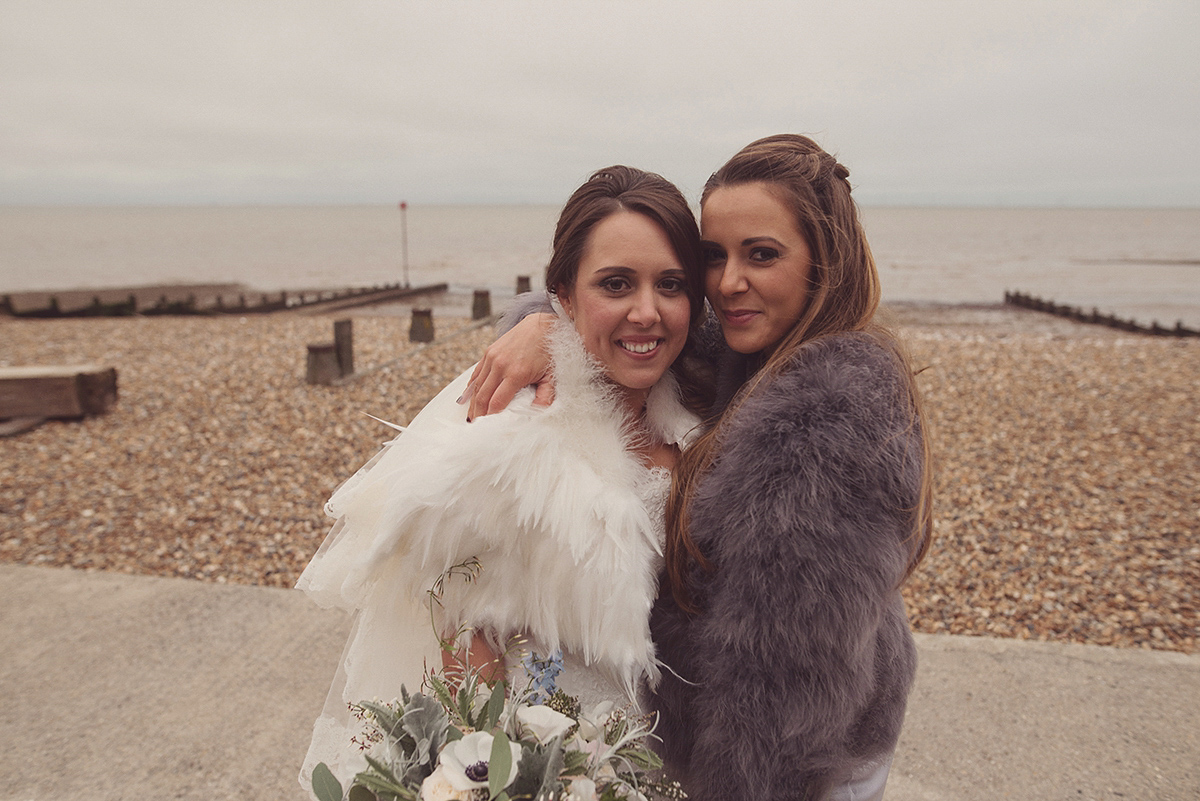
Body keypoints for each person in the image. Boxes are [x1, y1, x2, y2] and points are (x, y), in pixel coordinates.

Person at [463, 134, 933, 801]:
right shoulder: (752, 349)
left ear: (823, 263)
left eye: (762, 254)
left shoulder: (824, 428)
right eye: (713, 256)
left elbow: (774, 693)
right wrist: (549, 324)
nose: (728, 282)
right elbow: (645, 326)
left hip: (801, 771)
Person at [294, 165, 709, 794]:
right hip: (560, 769)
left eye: (671, 284)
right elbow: (468, 656)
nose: (646, 312)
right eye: (616, 284)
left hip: (675, 761)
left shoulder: (707, 420)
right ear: (563, 298)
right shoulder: (512, 441)